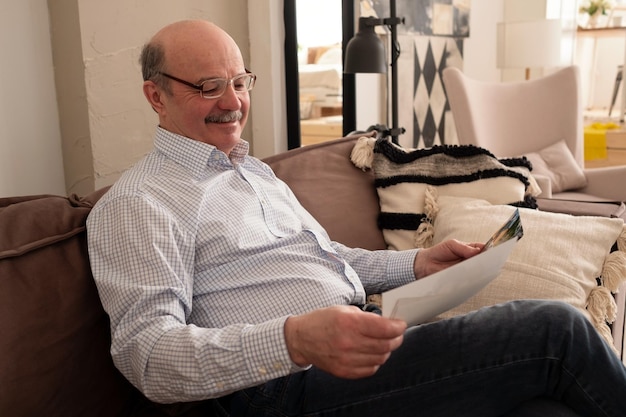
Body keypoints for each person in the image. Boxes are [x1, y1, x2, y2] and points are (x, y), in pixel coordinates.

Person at [86, 19, 626, 416]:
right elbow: (147, 356)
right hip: (281, 388)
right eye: (209, 86)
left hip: (363, 338)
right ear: (155, 96)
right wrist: (292, 340)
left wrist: (418, 264)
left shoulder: (253, 175)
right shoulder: (139, 204)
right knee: (556, 329)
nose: (233, 101)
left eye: (241, 81)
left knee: (548, 406)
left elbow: (332, 260)